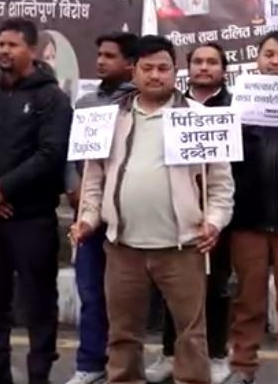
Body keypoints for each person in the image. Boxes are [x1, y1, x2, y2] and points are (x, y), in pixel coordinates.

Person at [72, 35, 234, 384]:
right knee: (123, 333)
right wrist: (87, 219)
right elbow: (94, 179)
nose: (156, 75)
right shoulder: (109, 118)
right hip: (122, 248)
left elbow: (221, 186)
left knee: (191, 335)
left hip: (183, 247)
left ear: (175, 71)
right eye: (148, 68)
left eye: (163, 68)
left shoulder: (199, 118)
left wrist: (214, 222)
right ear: (134, 71)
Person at [0, 18, 73, 384]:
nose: (4, 51)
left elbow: (51, 154)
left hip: (32, 218)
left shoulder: (52, 98)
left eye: (12, 45)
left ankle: (39, 372)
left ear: (32, 50)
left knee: (39, 302)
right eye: (0, 44)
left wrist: (4, 188)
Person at [219, 31, 278, 384]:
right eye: (269, 54)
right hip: (248, 219)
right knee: (248, 300)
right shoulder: (237, 104)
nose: (276, 61)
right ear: (257, 59)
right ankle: (242, 367)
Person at [146, 42, 233, 384]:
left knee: (215, 287)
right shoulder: (174, 107)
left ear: (223, 70)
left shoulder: (236, 105)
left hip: (219, 213)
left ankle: (216, 354)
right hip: (177, 215)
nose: (204, 67)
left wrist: (217, 214)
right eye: (198, 61)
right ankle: (170, 353)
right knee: (174, 291)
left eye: (212, 62)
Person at [64, 32, 138, 384]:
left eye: (110, 56)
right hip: (89, 212)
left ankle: (126, 367)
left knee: (127, 298)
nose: (101, 61)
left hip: (129, 213)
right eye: (100, 55)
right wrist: (73, 185)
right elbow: (72, 153)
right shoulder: (86, 103)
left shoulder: (141, 104)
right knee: (91, 292)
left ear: (130, 64)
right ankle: (90, 364)